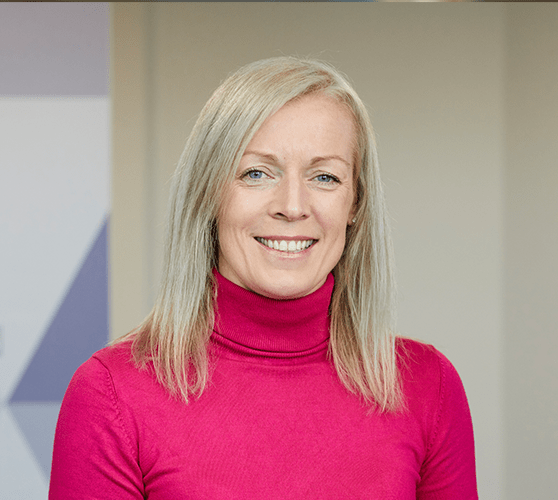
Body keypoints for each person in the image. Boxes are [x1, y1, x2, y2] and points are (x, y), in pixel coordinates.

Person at [49, 56, 477, 499]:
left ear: (356, 206)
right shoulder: (112, 393)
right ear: (210, 194)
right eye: (256, 173)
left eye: (325, 176)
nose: (292, 205)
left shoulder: (428, 388)